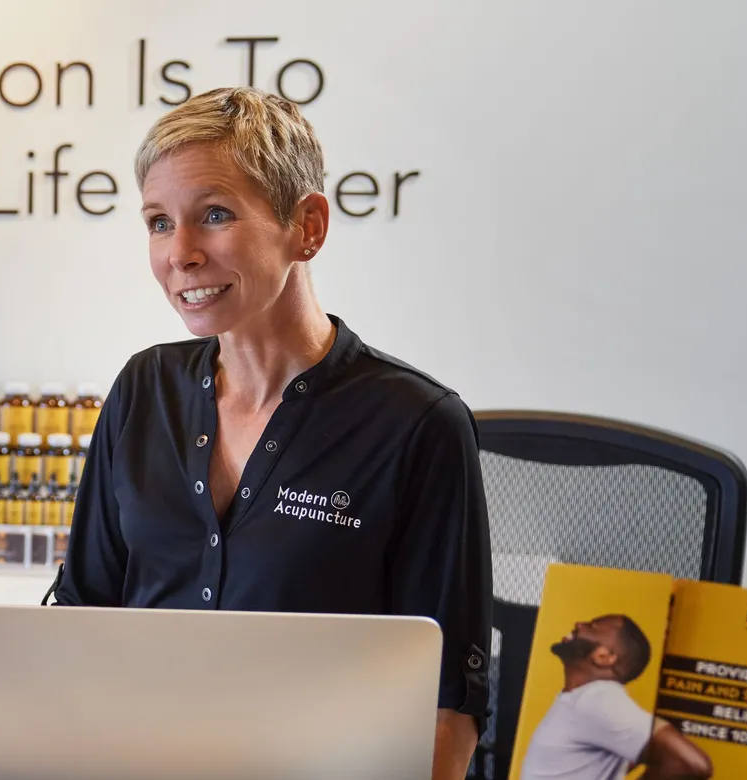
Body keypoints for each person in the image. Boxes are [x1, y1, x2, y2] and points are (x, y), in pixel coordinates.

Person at [48, 86, 492, 780]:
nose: (180, 254)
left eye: (214, 215)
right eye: (159, 223)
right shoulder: (144, 389)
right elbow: (79, 624)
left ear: (307, 225)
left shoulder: (417, 424)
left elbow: (447, 717)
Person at [521, 616, 712, 780]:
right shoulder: (586, 700)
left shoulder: (598, 700)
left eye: (593, 626)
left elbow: (694, 764)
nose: (579, 624)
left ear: (605, 657)